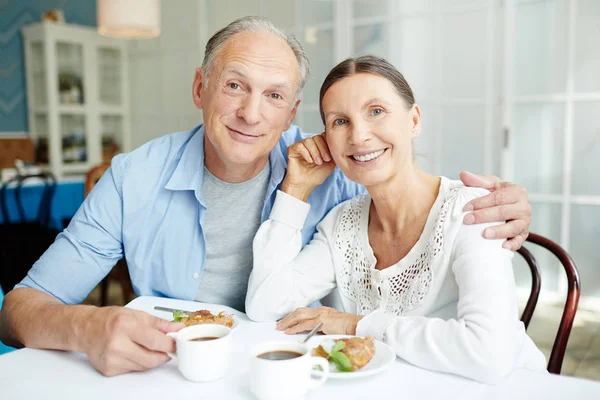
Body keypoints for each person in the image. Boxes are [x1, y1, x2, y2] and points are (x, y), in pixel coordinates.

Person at [0, 17, 531, 377]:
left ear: (293, 110)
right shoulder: (132, 179)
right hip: (178, 376)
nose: (252, 114)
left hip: (303, 374)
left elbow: (402, 179)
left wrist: (507, 205)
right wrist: (88, 324)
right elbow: (19, 309)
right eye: (234, 86)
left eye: (274, 96)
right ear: (200, 89)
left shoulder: (333, 164)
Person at [245, 55, 546, 383]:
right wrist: (295, 190)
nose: (359, 136)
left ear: (414, 121)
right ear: (328, 140)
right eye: (340, 121)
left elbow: (489, 354)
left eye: (376, 111)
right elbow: (264, 304)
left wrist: (354, 325)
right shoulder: (341, 224)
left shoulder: (472, 211)